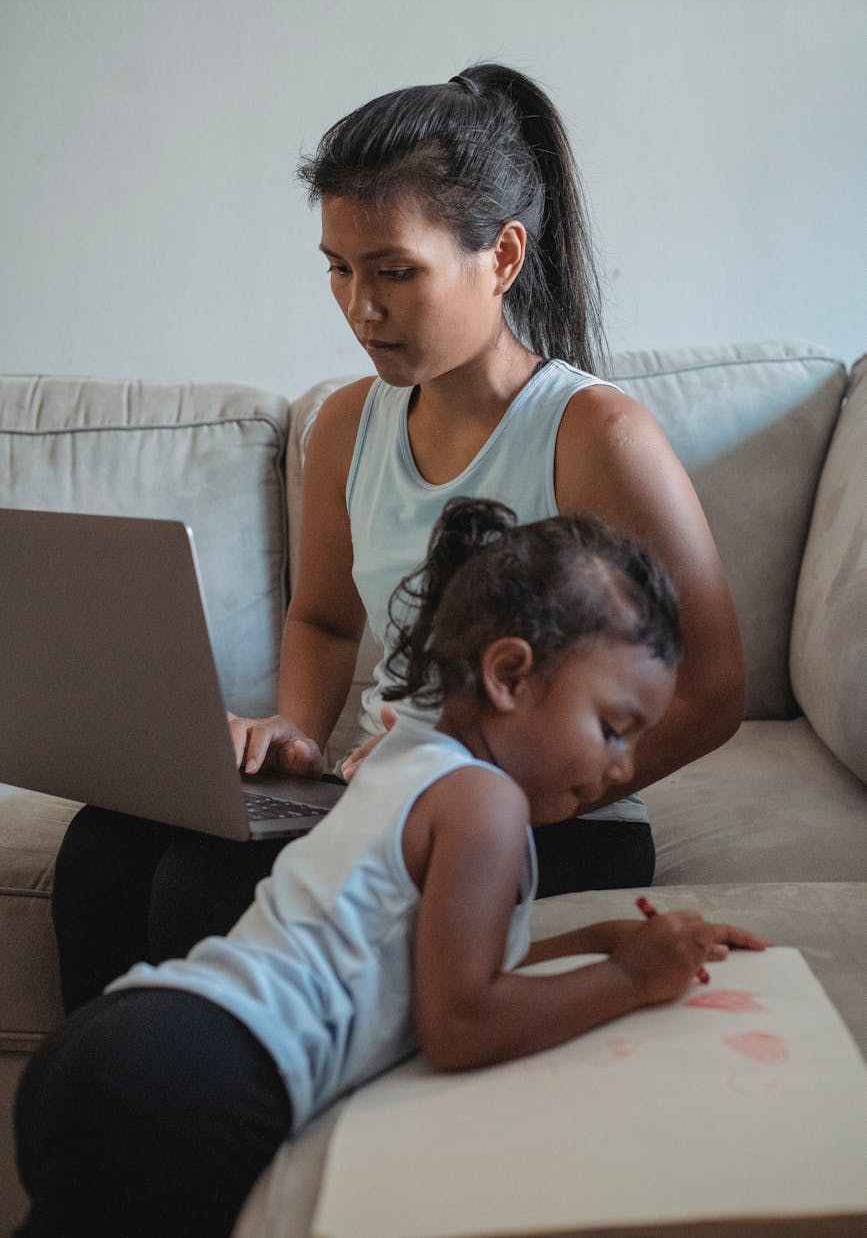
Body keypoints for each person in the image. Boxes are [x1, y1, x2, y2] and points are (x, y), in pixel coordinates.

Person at [51, 63, 744, 1013]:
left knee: (205, 890)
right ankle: (111, 1132)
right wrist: (294, 727)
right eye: (338, 269)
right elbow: (327, 618)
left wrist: (518, 787)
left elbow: (712, 689)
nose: (358, 307)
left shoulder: (598, 437)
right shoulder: (347, 425)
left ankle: (236, 1140)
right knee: (104, 842)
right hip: (381, 791)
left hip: (545, 814)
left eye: (393, 272)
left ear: (500, 257)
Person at [15, 499, 766, 1238]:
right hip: (197, 1084)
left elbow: (427, 971)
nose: (623, 766)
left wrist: (603, 941)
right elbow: (461, 1023)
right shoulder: (485, 803)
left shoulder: (404, 763)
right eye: (611, 728)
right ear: (509, 674)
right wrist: (632, 980)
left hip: (134, 1037)